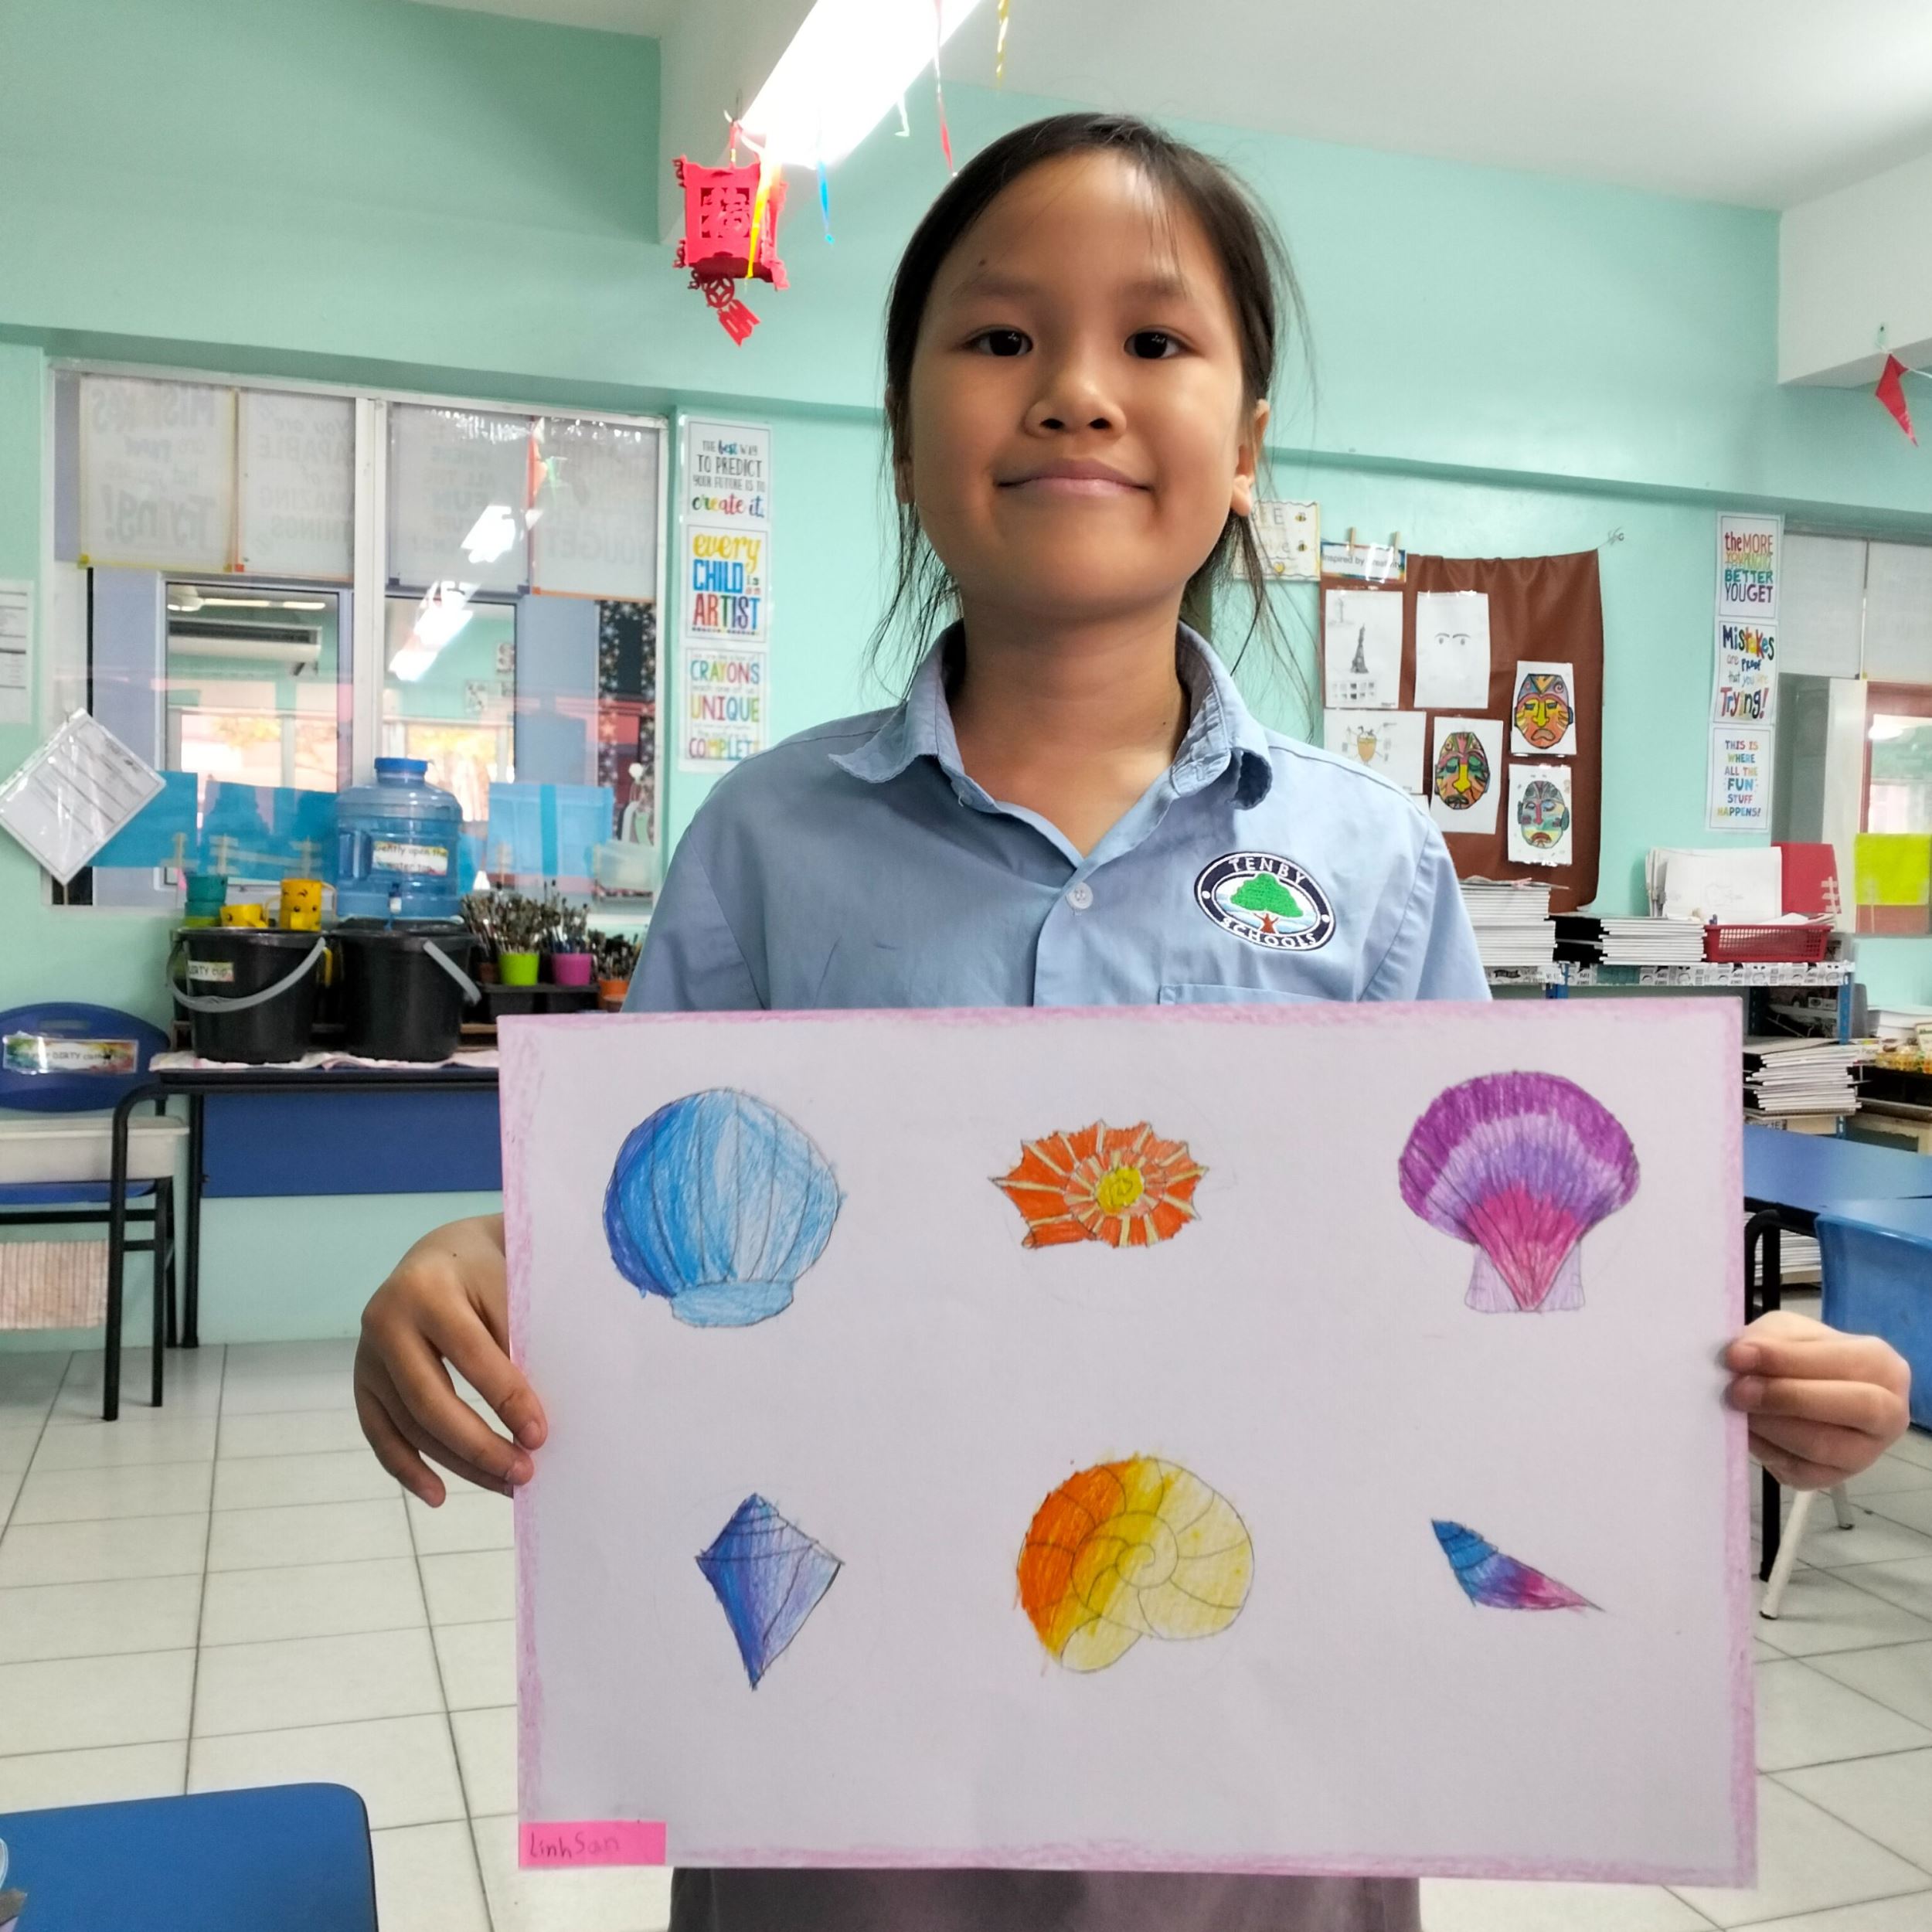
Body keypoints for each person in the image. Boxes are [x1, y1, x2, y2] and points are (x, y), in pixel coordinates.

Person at [356, 112, 1912, 1932]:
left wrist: (1720, 1389)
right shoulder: (764, 843)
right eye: (999, 335)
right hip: (849, 1795)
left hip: (1257, 1799)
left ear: (1243, 446)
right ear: (904, 430)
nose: (1075, 391)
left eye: (1154, 338)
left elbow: (1476, 1308)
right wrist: (481, 1270)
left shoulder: (1371, 862)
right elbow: (655, 1248)